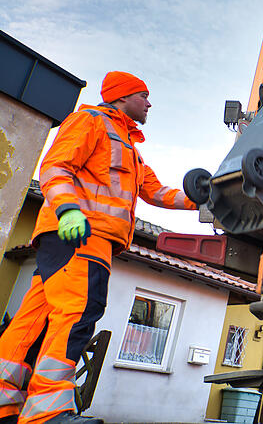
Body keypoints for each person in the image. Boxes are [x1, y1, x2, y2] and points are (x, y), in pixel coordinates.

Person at [0, 72, 197, 424]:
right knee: (76, 315)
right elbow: (55, 166)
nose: (149, 104)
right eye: (144, 96)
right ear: (122, 97)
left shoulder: (129, 149)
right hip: (80, 234)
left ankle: (4, 405)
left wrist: (202, 198)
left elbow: (156, 192)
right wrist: (68, 209)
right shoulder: (90, 122)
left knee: (34, 320)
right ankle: (47, 414)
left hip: (71, 239)